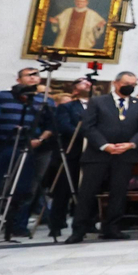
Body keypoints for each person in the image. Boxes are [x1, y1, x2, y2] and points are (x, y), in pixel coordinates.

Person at [0, 67, 55, 240]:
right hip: (1, 143)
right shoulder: (1, 95)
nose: (33, 78)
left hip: (27, 145)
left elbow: (50, 125)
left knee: (23, 188)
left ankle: (17, 225)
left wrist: (40, 139)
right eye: (28, 75)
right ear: (18, 79)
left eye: (36, 75)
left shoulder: (45, 100)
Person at [69, 70, 138, 243]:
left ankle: (112, 228)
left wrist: (131, 144)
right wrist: (105, 145)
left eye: (133, 84)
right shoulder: (98, 101)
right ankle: (79, 229)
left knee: (119, 193)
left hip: (125, 155)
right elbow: (89, 127)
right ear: (116, 83)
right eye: (127, 83)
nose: (130, 87)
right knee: (88, 192)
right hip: (98, 154)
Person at [43, 77, 93, 237]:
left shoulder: (98, 106)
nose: (88, 84)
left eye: (89, 82)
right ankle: (56, 224)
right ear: (75, 89)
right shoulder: (67, 107)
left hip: (91, 152)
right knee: (63, 189)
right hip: (71, 152)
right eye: (83, 83)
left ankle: (88, 223)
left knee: (88, 190)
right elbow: (64, 126)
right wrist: (87, 135)